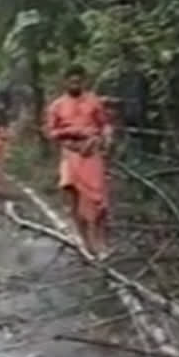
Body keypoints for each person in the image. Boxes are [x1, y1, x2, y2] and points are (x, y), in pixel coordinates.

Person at [45, 65, 113, 260]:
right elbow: (51, 132)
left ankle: (100, 242)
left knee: (98, 201)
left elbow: (105, 125)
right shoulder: (57, 106)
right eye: (71, 81)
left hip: (91, 153)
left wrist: (104, 139)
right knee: (73, 197)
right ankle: (85, 242)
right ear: (64, 82)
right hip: (70, 154)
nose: (75, 84)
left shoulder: (94, 101)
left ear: (84, 81)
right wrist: (70, 139)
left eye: (78, 81)